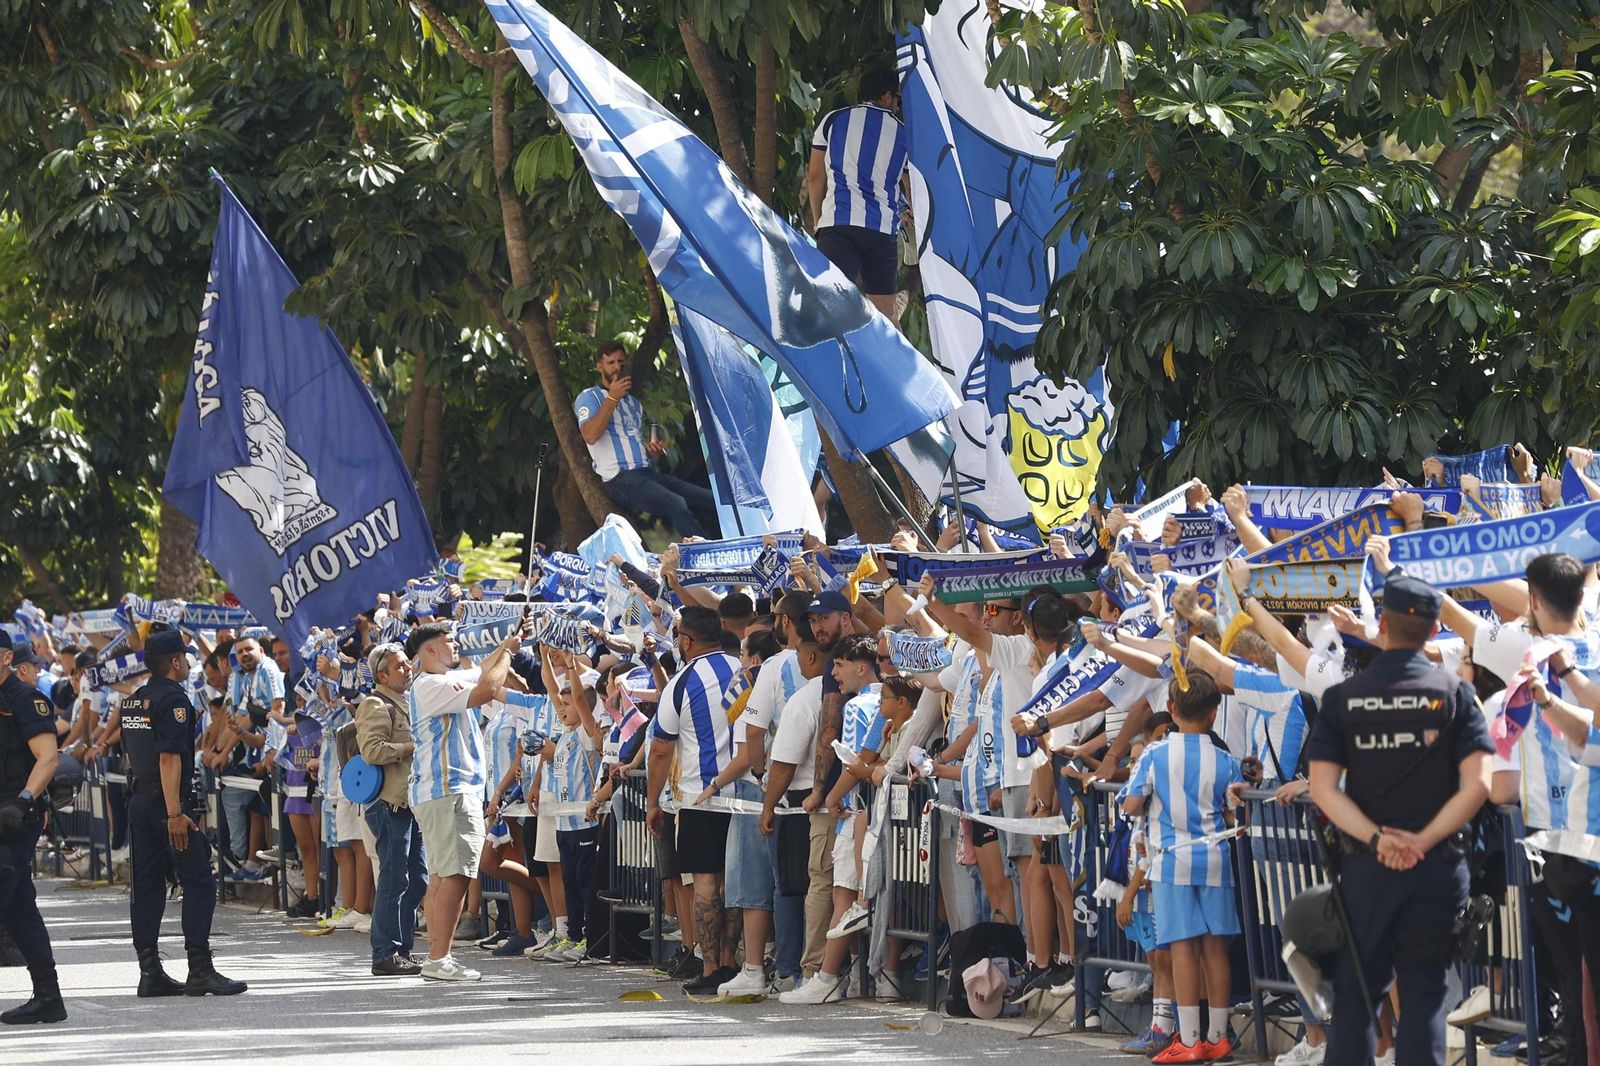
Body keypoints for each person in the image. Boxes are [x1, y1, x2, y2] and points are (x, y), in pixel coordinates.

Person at [1305, 572, 1492, 1066]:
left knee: (1355, 994)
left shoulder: (1344, 698)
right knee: (1426, 995)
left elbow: (1324, 789)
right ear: (1433, 633)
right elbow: (1479, 783)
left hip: (1367, 869)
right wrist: (1424, 840)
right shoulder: (1456, 693)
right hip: (1436, 868)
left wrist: (1376, 839)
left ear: (1381, 624)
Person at [1121, 670, 1241, 1064]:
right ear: (1214, 712)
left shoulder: (1155, 754)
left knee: (1184, 949)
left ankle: (1188, 1041)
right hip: (1215, 858)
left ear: (1171, 709)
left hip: (1171, 860)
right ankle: (1218, 1037)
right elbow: (1232, 809)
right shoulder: (1225, 760)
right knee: (1215, 948)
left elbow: (1130, 803)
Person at [118, 629, 247, 998]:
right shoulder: (174, 699)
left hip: (139, 800)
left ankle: (150, 971)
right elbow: (169, 757)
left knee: (146, 886)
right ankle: (200, 969)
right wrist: (175, 813)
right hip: (166, 803)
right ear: (175, 661)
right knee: (198, 880)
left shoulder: (134, 701)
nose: (188, 661)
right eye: (184, 656)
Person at [405, 619, 526, 982]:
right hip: (449, 789)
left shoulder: (440, 680)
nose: (456, 647)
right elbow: (489, 687)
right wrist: (507, 651)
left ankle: (436, 956)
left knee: (445, 874)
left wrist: (507, 643)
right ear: (429, 649)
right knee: (456, 874)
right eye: (449, 642)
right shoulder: (430, 683)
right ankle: (439, 958)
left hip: (445, 791)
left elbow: (485, 674)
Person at [645, 606, 747, 996]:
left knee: (706, 883)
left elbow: (660, 748)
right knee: (735, 882)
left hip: (700, 799)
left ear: (686, 641)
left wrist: (654, 802)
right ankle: (733, 961)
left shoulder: (682, 681)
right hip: (746, 796)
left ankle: (710, 967)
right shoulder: (744, 668)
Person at [574, 339, 716, 537]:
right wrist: (612, 398)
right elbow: (589, 436)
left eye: (621, 363)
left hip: (646, 473)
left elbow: (630, 444)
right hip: (619, 478)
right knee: (677, 504)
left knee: (713, 499)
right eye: (611, 363)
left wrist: (651, 452)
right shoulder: (590, 397)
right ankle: (704, 554)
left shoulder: (634, 404)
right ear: (600, 367)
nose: (617, 367)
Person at [806, 65, 909, 322]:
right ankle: (896, 363)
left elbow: (815, 177)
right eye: (897, 100)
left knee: (827, 307)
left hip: (839, 225)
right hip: (882, 231)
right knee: (886, 316)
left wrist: (819, 222)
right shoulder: (905, 133)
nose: (897, 107)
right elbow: (909, 185)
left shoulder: (833, 120)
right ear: (886, 96)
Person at [0, 634, 64, 1024]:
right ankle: (48, 996)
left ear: (7, 657)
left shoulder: (25, 699)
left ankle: (48, 995)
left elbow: (48, 757)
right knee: (20, 907)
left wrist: (24, 800)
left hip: (14, 815)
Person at [356, 642, 426, 976]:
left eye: (407, 664)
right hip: (390, 803)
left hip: (413, 803)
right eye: (399, 666)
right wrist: (412, 746)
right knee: (394, 880)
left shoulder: (411, 701)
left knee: (417, 879)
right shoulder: (375, 703)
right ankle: (385, 953)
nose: (408, 668)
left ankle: (403, 950)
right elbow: (372, 751)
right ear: (381, 674)